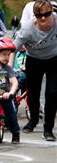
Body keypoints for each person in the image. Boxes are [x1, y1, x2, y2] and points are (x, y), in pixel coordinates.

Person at [11, 0, 57, 141]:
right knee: (33, 93)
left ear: (52, 12)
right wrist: (9, 69)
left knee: (52, 93)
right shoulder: (27, 28)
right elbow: (13, 49)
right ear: (34, 15)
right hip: (34, 60)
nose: (43, 18)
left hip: (54, 59)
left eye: (47, 14)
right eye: (39, 15)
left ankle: (48, 129)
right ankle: (33, 120)